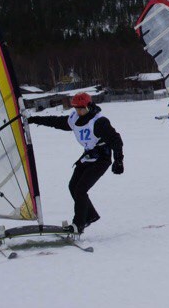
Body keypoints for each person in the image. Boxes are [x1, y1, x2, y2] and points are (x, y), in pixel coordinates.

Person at [28, 92, 123, 233]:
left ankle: (78, 225)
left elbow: (116, 140)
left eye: (81, 108)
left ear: (89, 106)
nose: (78, 111)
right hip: (88, 157)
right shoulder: (75, 119)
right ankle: (90, 216)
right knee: (73, 186)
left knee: (80, 190)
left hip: (101, 159)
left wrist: (118, 160)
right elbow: (57, 122)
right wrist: (35, 119)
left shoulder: (99, 122)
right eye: (76, 108)